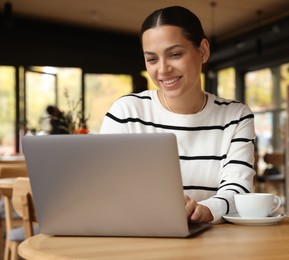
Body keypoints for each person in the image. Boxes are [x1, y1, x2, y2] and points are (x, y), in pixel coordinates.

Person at [100, 6, 256, 224]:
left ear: (203, 51)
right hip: (141, 239)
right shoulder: (126, 112)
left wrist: (206, 210)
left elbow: (239, 188)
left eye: (174, 54)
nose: (163, 69)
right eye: (152, 59)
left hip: (212, 243)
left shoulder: (236, 116)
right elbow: (105, 187)